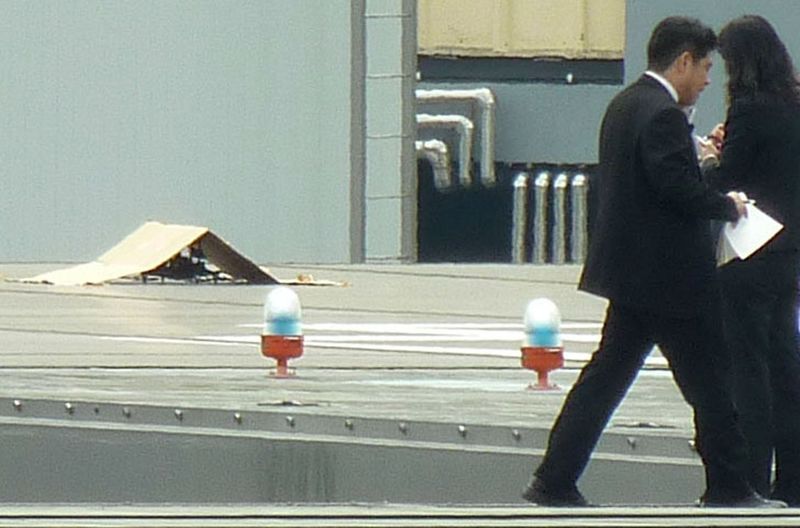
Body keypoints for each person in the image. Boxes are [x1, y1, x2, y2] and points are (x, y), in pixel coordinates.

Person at [521, 16, 783, 508]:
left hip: (632, 276)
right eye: (704, 67)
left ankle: (554, 478)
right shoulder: (661, 114)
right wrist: (730, 205)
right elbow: (675, 187)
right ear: (682, 61)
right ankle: (729, 486)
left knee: (605, 382)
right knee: (712, 383)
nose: (707, 79)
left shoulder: (624, 105)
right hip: (670, 279)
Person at [701, 15, 800, 506]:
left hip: (750, 249)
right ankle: (794, 479)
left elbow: (731, 176)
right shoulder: (794, 102)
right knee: (786, 366)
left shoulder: (749, 106)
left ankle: (753, 477)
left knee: (748, 367)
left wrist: (712, 157)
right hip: (789, 253)